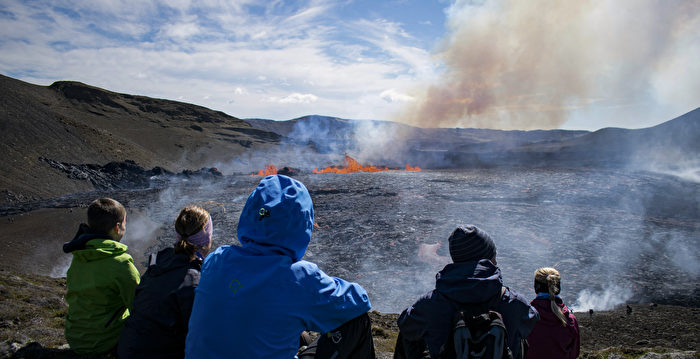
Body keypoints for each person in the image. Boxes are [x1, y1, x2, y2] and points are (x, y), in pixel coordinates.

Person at [185, 174, 376, 359]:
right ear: (303, 223)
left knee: (298, 335)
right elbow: (360, 301)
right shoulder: (300, 278)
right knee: (356, 321)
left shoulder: (217, 259)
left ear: (250, 213)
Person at [394, 225, 539, 359]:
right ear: (488, 257)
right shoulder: (513, 302)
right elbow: (532, 320)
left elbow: (406, 323)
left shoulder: (430, 303)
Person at [118, 206, 214, 359]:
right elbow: (197, 331)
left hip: (128, 349)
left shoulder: (157, 264)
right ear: (206, 238)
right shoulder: (193, 279)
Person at [62, 197, 140, 355]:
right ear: (117, 227)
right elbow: (138, 305)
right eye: (124, 223)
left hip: (74, 338)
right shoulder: (121, 264)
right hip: (104, 341)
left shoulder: (79, 256)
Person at [524, 267, 580, 359]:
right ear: (558, 287)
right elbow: (574, 353)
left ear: (536, 287)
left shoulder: (525, 317)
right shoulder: (570, 320)